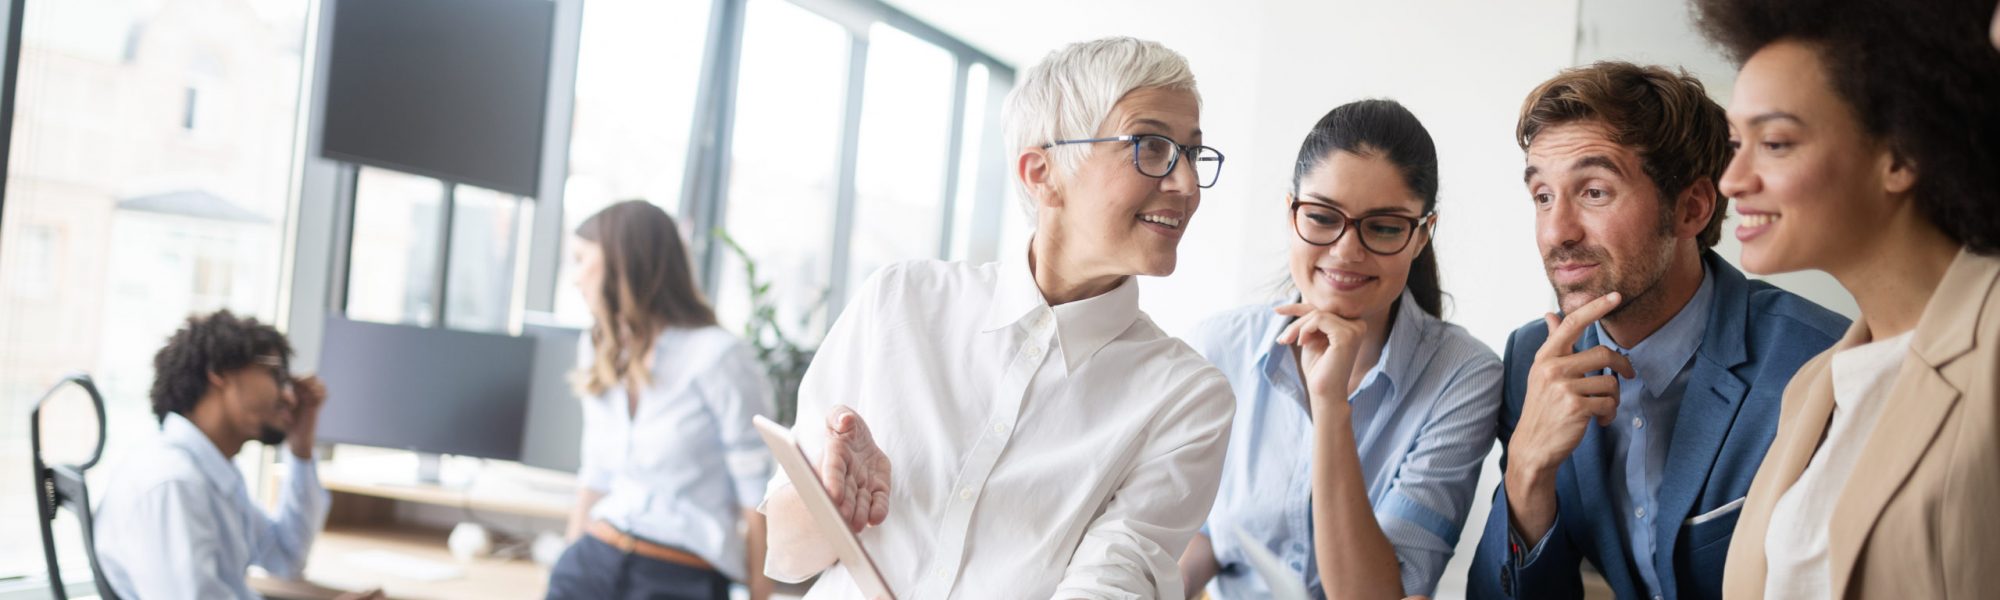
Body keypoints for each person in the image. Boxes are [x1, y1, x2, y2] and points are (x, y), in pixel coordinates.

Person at [758, 37, 1235, 599]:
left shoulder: (1187, 397)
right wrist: (830, 493)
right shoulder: (902, 301)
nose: (1185, 184)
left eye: (1192, 153)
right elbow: (786, 557)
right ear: (1042, 172)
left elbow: (1112, 583)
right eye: (1151, 147)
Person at [1466, 61, 1849, 600]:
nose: (1556, 231)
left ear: (1691, 208)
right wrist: (1526, 474)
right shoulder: (1533, 357)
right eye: (1543, 196)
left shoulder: (1821, 361)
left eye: (1594, 191)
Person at [1689, 0, 2000, 596]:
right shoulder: (1816, 385)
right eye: (1736, 143)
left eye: (1775, 143)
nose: (1732, 180)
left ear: (1903, 154)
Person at [1177, 99, 1500, 599]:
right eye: (1324, 217)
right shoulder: (1220, 346)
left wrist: (1330, 406)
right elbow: (1203, 533)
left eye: (1385, 227)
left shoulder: (1463, 376)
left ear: (1422, 236)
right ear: (1292, 214)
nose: (1347, 250)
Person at [546, 200, 776, 600]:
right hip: (591, 560)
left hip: (679, 576)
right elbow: (596, 476)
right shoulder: (600, 347)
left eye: (581, 259)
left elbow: (758, 495)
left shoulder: (717, 356)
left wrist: (760, 592)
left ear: (621, 262)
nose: (575, 277)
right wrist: (566, 560)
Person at [93, 311, 379, 600]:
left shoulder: (210, 472)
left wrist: (301, 448)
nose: (290, 397)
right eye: (276, 375)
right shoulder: (175, 484)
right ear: (220, 372)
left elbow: (286, 557)